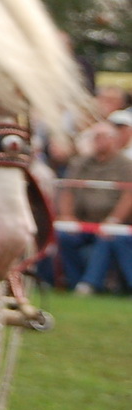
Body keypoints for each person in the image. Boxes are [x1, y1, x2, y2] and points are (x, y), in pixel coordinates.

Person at [55, 123, 132, 294]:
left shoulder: (126, 164)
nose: (99, 141)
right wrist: (67, 217)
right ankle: (74, 281)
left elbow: (129, 195)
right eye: (95, 137)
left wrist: (113, 220)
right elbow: (68, 190)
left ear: (114, 140)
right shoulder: (80, 163)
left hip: (113, 223)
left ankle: (89, 284)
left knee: (108, 236)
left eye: (103, 137)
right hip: (84, 221)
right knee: (63, 235)